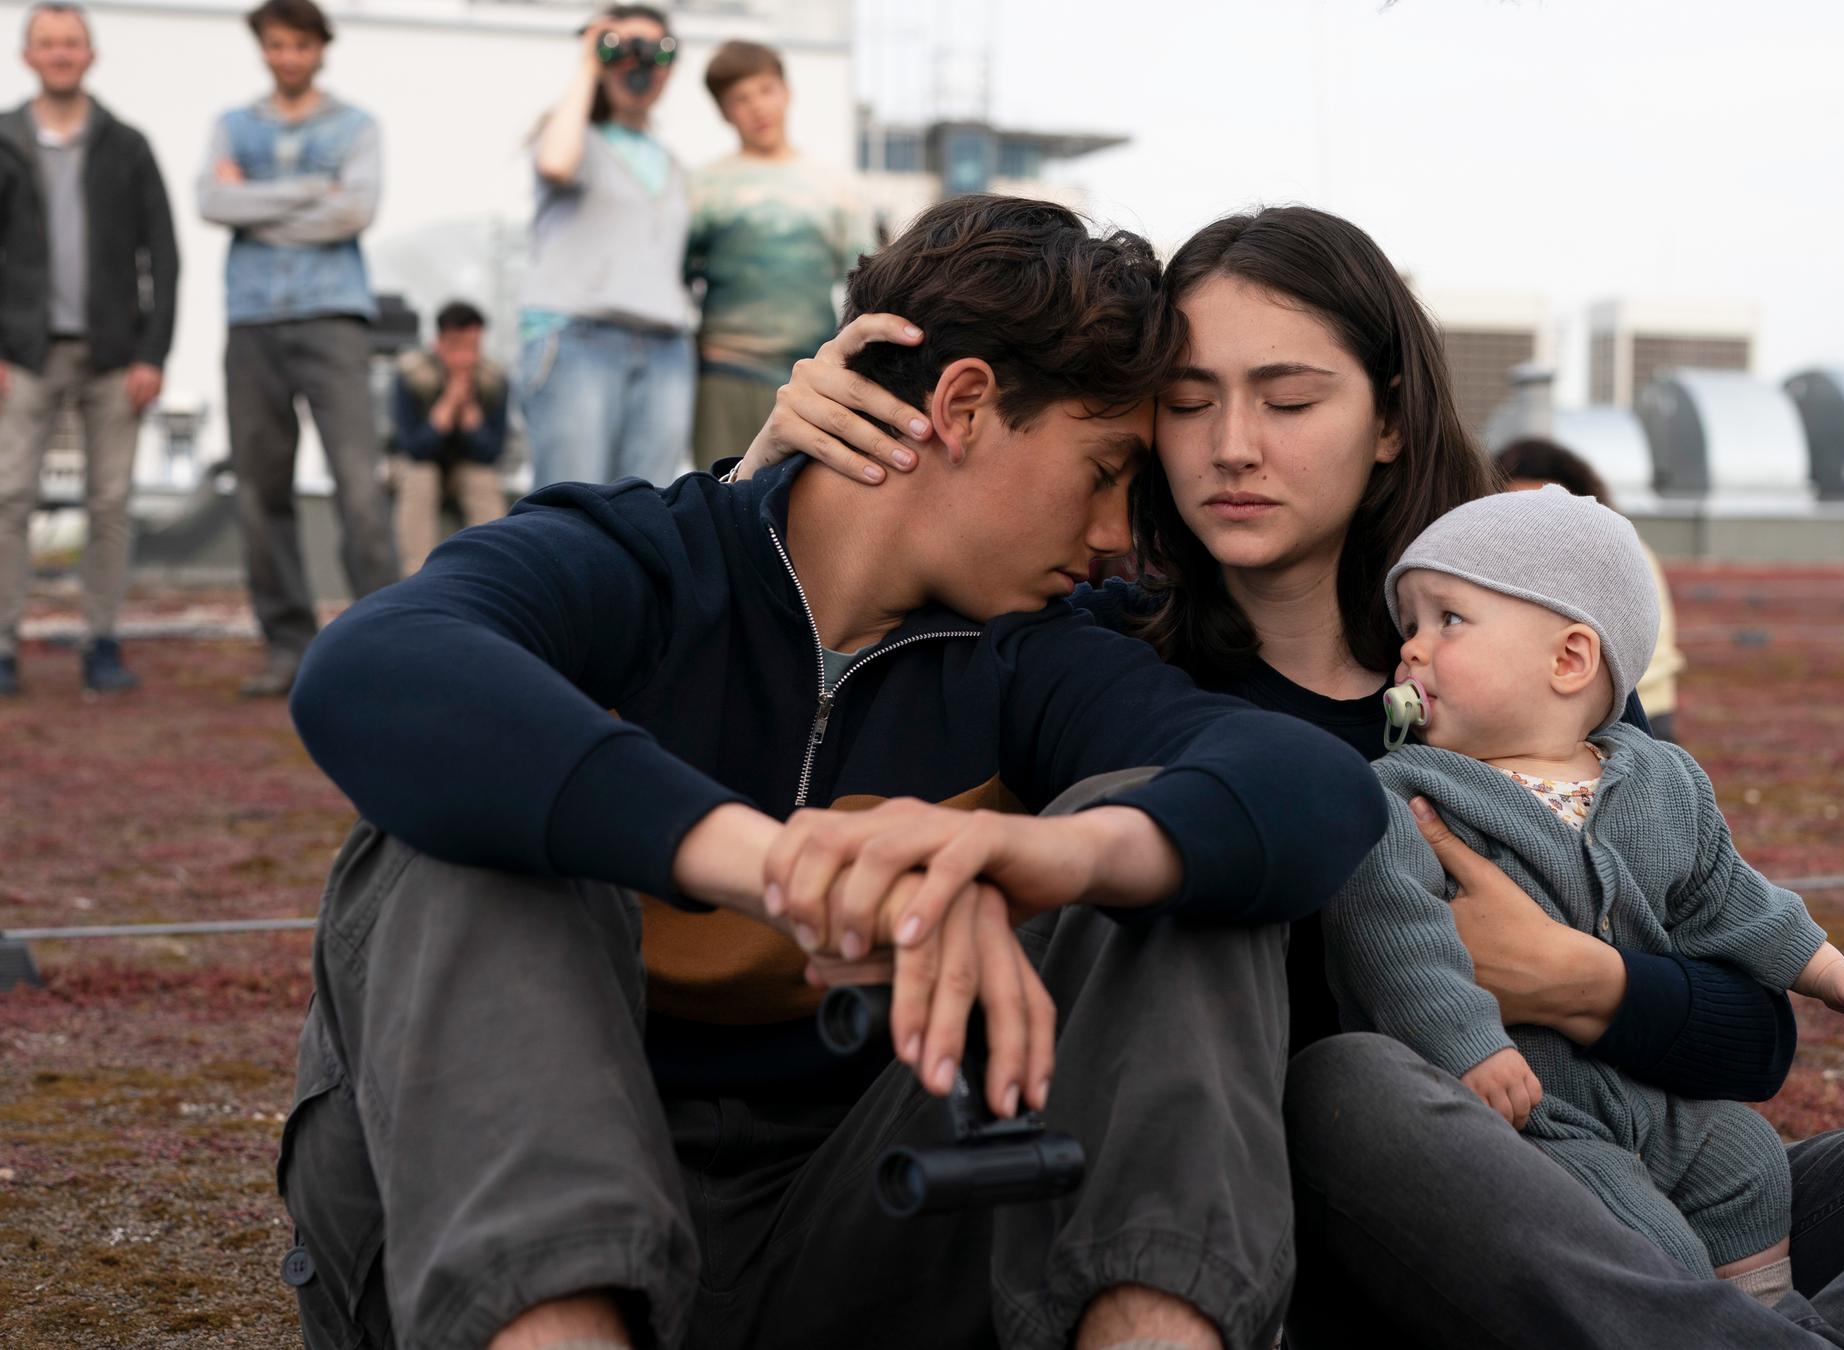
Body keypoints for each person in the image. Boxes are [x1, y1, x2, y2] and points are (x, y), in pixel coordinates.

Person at [745, 201, 1844, 1349]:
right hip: (1385, 1217)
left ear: (1389, 413)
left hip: (1649, 1200)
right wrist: (773, 461)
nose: (1231, 444)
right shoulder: (1099, 662)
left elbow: (1746, 1032)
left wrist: (1572, 979)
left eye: (1290, 398)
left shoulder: (1529, 653)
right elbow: (831, 591)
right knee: (1358, 1082)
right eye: (1193, 400)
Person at [277, 194, 1384, 1350]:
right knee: (462, 830)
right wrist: (775, 865)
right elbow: (372, 665)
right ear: (963, 406)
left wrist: (1050, 854)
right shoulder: (648, 563)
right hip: (496, 1245)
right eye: (1105, 469)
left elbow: (1305, 783)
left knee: (1166, 856)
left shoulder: (1030, 655)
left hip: (851, 1246)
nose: (1118, 531)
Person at [1327, 486, 1844, 1307]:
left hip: (1653, 1095)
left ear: (1569, 660)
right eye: (1409, 626)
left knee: (1749, 1162)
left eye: (1447, 620)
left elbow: (1726, 896)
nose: (1411, 651)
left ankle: (1772, 1322)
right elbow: (1393, 936)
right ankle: (1712, 1326)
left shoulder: (1663, 781)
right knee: (1645, 1238)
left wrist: (1826, 966)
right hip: (1537, 1109)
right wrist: (1466, 1046)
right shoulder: (1407, 793)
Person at [197, 0, 396, 698]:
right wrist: (313, 191)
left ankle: (388, 640)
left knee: (359, 487)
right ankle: (286, 644)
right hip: (251, 321)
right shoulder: (232, 123)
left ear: (320, 49)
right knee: (261, 490)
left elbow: (355, 212)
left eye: (300, 45)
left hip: (333, 318)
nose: (288, 57)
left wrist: (257, 202)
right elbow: (210, 203)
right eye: (276, 45)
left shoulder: (356, 126)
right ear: (263, 49)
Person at [0, 1, 175, 697]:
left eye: (72, 42)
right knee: (9, 498)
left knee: (110, 504)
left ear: (91, 54)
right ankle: (3, 646)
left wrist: (153, 353)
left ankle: (102, 642)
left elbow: (162, 255)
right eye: (48, 43)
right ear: (28, 55)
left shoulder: (127, 145)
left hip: (113, 356)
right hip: (23, 352)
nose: (61, 53)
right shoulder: (3, 140)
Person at [521, 4, 694, 490]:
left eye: (654, 52)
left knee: (645, 513)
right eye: (623, 48)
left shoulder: (672, 163)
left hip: (664, 350)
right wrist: (589, 63)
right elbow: (556, 162)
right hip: (578, 340)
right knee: (568, 514)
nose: (638, 63)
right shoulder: (573, 137)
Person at [684, 39, 863, 468]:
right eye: (740, 99)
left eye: (765, 90)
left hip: (809, 374)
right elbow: (675, 275)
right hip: (724, 371)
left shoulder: (837, 186)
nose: (757, 108)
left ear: (786, 91)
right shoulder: (701, 186)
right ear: (724, 111)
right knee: (723, 495)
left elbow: (864, 281)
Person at [1494, 435, 1686, 742]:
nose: (1527, 523)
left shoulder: (1617, 551)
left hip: (1634, 717)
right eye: (1510, 508)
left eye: (1544, 504)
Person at [389, 301, 509, 577]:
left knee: (482, 480)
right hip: (413, 468)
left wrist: (471, 421)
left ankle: (494, 574)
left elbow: (492, 453)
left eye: (474, 347)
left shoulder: (492, 381)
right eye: (458, 346)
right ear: (439, 343)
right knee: (422, 476)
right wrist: (443, 413)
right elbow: (411, 449)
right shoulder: (412, 376)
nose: (466, 358)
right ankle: (417, 579)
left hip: (463, 470)